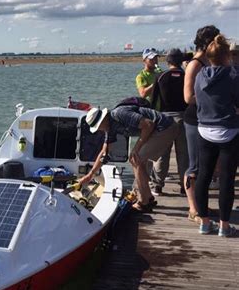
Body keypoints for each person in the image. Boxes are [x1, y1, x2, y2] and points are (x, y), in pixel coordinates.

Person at [78, 103, 178, 212]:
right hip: (157, 129)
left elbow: (149, 124)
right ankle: (148, 198)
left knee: (136, 158)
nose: (100, 130)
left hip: (165, 127)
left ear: (103, 119)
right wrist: (90, 175)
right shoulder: (109, 128)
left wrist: (136, 148)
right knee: (136, 159)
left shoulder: (119, 114)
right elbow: (104, 152)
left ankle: (144, 201)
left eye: (98, 126)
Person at [194, 35, 239, 237]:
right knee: (227, 179)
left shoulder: (200, 75)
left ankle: (204, 223)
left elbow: (198, 101)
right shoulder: (233, 75)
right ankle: (224, 225)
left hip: (204, 129)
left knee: (203, 176)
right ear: (227, 56)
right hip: (229, 130)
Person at [183, 25, 220, 223]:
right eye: (215, 39)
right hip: (194, 119)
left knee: (209, 165)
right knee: (194, 165)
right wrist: (212, 98)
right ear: (207, 42)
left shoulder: (212, 61)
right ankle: (193, 209)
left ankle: (201, 205)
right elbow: (188, 97)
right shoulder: (195, 64)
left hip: (209, 118)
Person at [151, 48, 189, 194]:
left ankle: (158, 185)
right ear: (180, 61)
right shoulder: (186, 75)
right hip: (184, 117)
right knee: (184, 154)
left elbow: (154, 102)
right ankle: (184, 186)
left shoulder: (161, 76)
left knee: (162, 153)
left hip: (164, 118)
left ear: (168, 62)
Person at [136, 47, 168, 195]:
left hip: (162, 113)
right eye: (151, 59)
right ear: (144, 60)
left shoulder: (159, 73)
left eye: (156, 58)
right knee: (147, 146)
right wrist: (156, 81)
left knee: (162, 148)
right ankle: (146, 177)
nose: (154, 61)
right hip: (149, 114)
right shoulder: (141, 76)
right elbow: (142, 93)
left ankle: (158, 178)